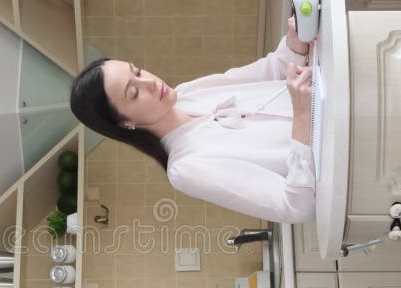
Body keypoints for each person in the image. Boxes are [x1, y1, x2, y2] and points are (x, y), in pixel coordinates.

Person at [70, 17, 318, 224]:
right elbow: (295, 206)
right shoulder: (184, 168)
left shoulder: (187, 92)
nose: (150, 82)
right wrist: (302, 115)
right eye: (134, 92)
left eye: (137, 71)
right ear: (124, 124)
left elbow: (272, 70)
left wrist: (294, 43)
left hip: (334, 105)